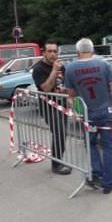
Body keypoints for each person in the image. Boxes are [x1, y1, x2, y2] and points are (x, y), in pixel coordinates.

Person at [64, 38, 112, 194]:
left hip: (87, 114)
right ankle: (108, 183)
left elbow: (70, 94)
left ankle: (96, 174)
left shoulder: (70, 68)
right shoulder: (104, 65)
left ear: (77, 52)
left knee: (91, 145)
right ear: (93, 50)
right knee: (108, 147)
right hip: (107, 112)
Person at [32, 42, 71, 175]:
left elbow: (66, 85)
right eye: (49, 51)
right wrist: (54, 71)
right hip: (48, 106)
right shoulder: (39, 69)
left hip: (62, 106)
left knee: (62, 133)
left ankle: (59, 160)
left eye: (55, 51)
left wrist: (69, 97)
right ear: (44, 53)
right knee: (59, 132)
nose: (53, 54)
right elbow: (46, 88)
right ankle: (56, 165)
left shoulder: (62, 67)